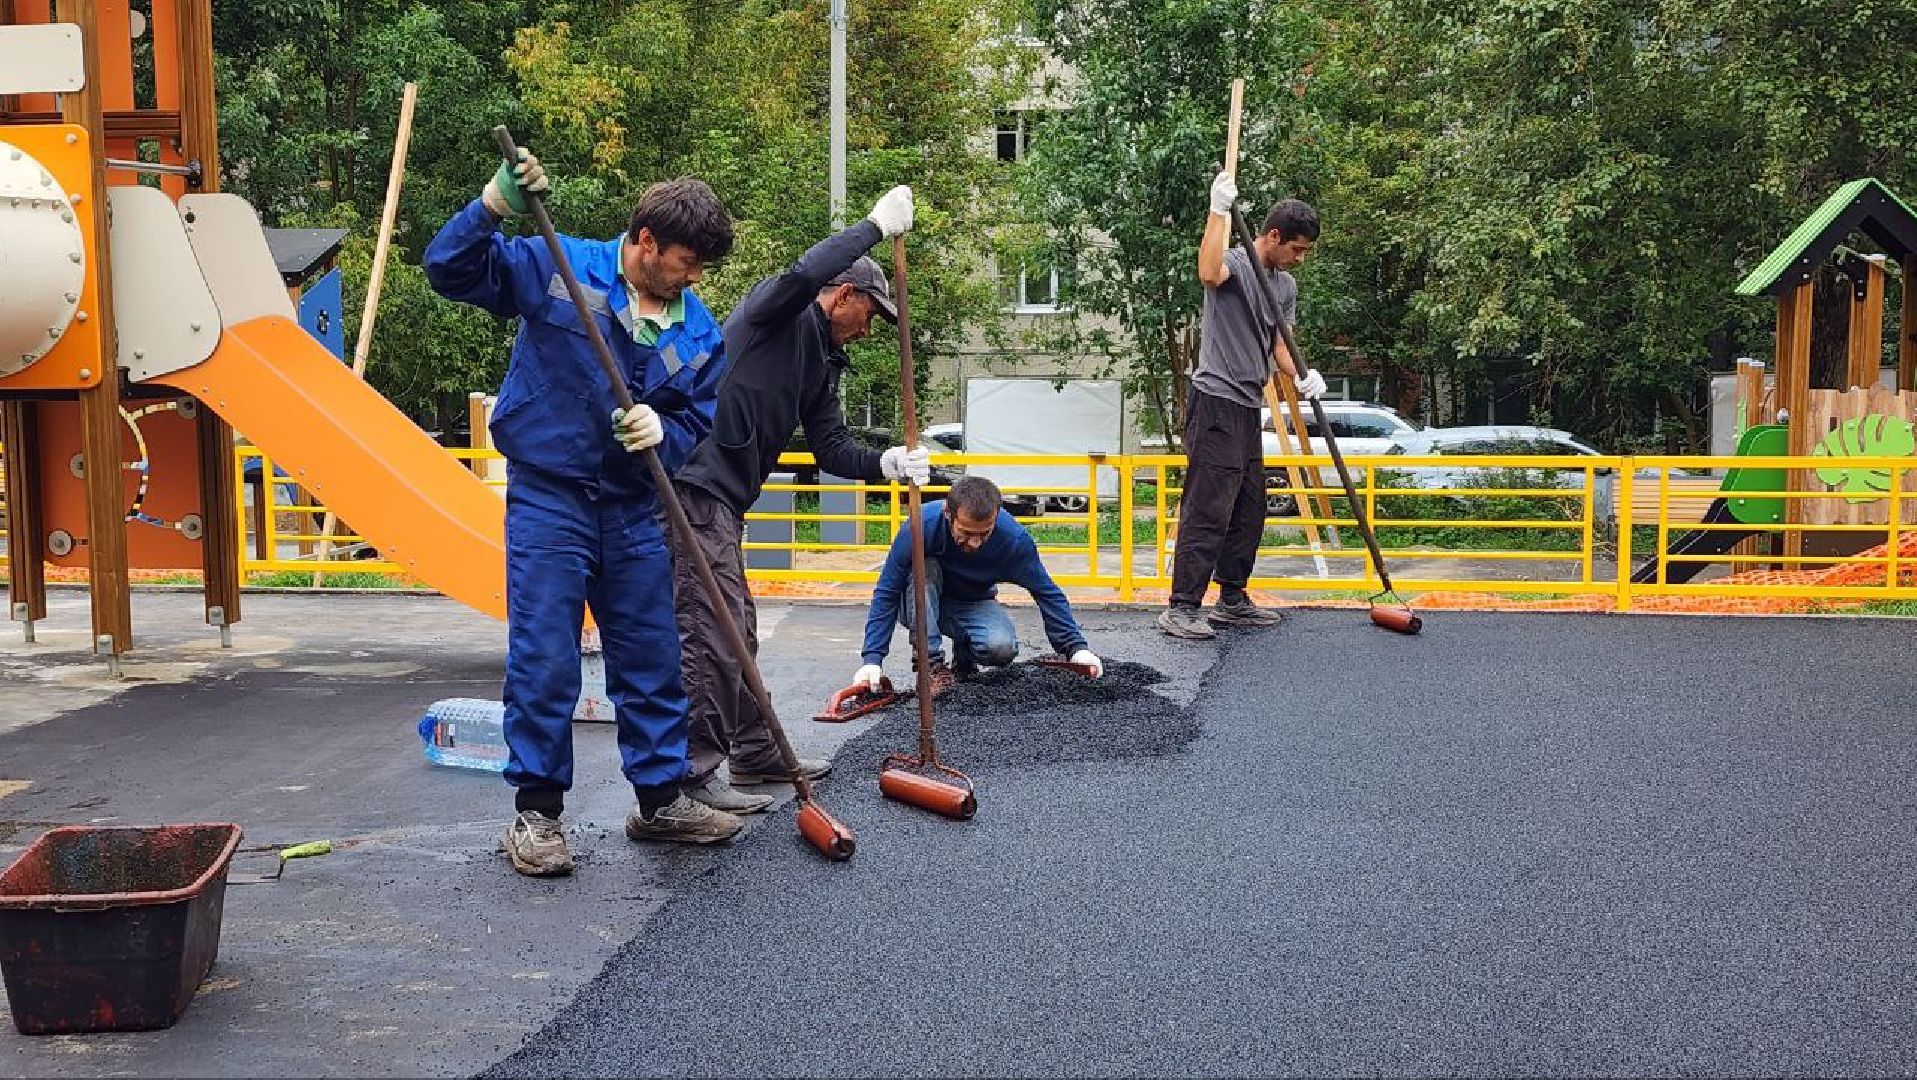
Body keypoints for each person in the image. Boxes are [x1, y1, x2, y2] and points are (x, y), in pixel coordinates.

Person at [423, 146, 743, 877]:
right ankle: (537, 815)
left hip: (632, 504)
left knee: (652, 653)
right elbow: (448, 269)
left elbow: (697, 418)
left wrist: (666, 433)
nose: (694, 277)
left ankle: (660, 801)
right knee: (546, 653)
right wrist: (492, 206)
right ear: (645, 242)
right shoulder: (559, 268)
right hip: (550, 495)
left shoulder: (700, 332)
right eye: (686, 262)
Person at [669, 187, 931, 815]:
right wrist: (872, 227)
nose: (869, 329)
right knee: (712, 631)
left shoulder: (821, 361)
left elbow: (831, 448)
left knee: (736, 628)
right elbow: (803, 272)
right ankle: (691, 778)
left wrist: (887, 464)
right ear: (843, 295)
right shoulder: (777, 314)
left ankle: (755, 751)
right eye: (870, 313)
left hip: (724, 499)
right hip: (693, 482)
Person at [1158, 173, 1325, 641]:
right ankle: (1182, 606)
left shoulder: (1285, 286)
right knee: (1208, 508)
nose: (1300, 258)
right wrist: (1217, 210)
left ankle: (1231, 598)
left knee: (1250, 508)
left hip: (1249, 404)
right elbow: (1207, 272)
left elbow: (1280, 346)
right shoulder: (1236, 262)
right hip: (1216, 401)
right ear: (1273, 235)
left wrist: (1302, 375)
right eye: (1297, 249)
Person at [851, 475, 1101, 696]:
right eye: (966, 532)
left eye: (984, 534)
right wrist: (872, 660)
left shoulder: (1013, 541)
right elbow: (887, 592)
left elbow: (1047, 593)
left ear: (996, 517)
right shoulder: (920, 527)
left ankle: (964, 659)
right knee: (925, 567)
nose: (975, 543)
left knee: (1001, 648)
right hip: (917, 602)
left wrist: (1076, 649)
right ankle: (931, 667)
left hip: (972, 601)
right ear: (948, 513)